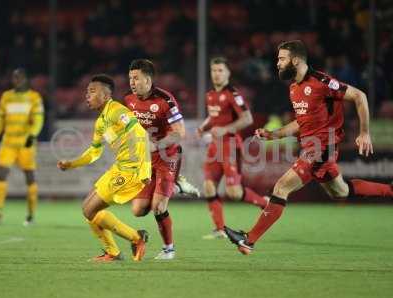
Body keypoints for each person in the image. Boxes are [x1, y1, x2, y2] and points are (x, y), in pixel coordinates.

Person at [225, 40, 393, 255]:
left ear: (295, 60)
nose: (277, 63)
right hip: (312, 146)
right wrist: (273, 135)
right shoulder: (294, 88)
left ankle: (249, 240)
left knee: (281, 187)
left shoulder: (321, 81)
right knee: (340, 190)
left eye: (281, 59)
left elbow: (359, 96)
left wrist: (364, 132)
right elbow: (300, 123)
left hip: (322, 147)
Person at [57, 74, 150, 262]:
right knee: (87, 209)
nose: (87, 95)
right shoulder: (100, 122)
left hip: (131, 171)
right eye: (86, 92)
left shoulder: (116, 111)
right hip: (118, 168)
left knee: (90, 210)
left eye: (92, 91)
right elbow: (94, 152)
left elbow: (141, 134)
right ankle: (113, 253)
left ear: (106, 95)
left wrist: (145, 169)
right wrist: (72, 164)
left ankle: (136, 238)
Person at [197, 57, 269, 239]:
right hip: (215, 147)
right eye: (214, 70)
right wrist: (203, 127)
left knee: (234, 192)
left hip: (229, 145)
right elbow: (213, 117)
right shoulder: (211, 94)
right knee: (208, 186)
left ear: (228, 73)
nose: (216, 74)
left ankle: (264, 202)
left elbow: (247, 119)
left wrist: (225, 129)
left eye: (220, 70)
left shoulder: (232, 94)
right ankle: (220, 229)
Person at [124, 59, 189, 259]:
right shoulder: (128, 100)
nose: (132, 83)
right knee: (138, 210)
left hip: (167, 156)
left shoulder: (165, 100)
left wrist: (156, 145)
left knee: (158, 207)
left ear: (148, 79)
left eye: (136, 78)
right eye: (130, 78)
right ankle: (177, 186)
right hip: (145, 161)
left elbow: (180, 133)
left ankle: (168, 249)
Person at [0, 69, 44, 225]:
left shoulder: (34, 97)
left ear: (25, 80)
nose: (17, 81)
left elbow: (38, 119)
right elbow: (0, 121)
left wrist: (33, 135)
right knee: (1, 175)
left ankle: (30, 215)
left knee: (30, 178)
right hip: (8, 143)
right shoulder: (6, 97)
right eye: (14, 78)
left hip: (25, 144)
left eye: (20, 78)